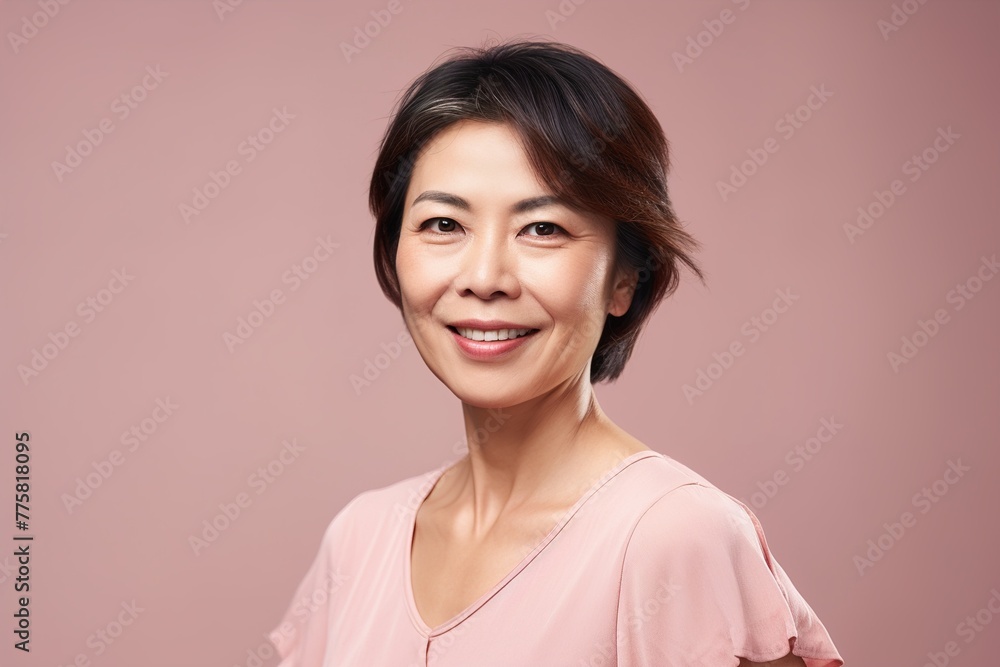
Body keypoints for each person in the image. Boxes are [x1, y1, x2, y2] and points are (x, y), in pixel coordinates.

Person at [268, 38, 844, 666]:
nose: (485, 276)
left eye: (542, 228)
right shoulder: (360, 539)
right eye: (443, 225)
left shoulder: (672, 537)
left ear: (625, 276)